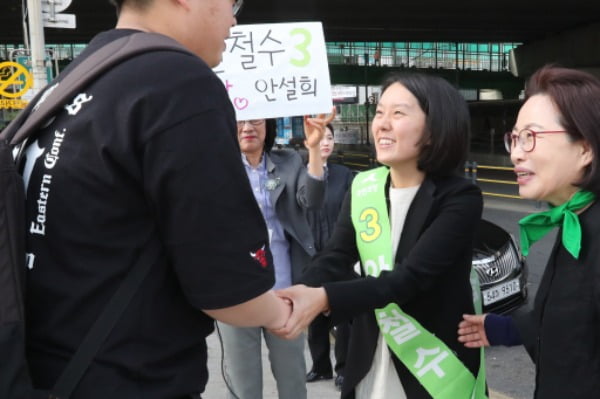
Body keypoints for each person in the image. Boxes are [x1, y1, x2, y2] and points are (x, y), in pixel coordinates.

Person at [19, 0, 294, 398]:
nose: (235, 18)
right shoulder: (177, 80)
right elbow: (229, 290)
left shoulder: (72, 82)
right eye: (230, 1)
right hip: (128, 378)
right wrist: (287, 310)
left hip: (48, 372)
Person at [274, 72, 484, 399]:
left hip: (433, 368)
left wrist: (325, 297)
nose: (381, 124)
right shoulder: (364, 187)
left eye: (398, 113)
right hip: (368, 364)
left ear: (435, 128)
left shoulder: (460, 197)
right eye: (380, 112)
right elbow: (336, 256)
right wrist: (298, 291)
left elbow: (410, 280)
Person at [458, 65, 600, 399]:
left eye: (530, 137)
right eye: (515, 138)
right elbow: (575, 321)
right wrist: (503, 328)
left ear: (585, 149)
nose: (516, 153)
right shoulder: (575, 219)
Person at [218, 113, 333, 399]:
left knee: (293, 379)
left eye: (255, 121)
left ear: (267, 126)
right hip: (236, 293)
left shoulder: (288, 161)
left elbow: (312, 199)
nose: (247, 128)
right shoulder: (218, 168)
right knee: (244, 386)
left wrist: (315, 149)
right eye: (240, 122)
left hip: (283, 290)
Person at [304, 123, 354, 390]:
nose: (326, 142)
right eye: (321, 138)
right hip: (312, 257)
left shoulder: (345, 175)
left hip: (340, 257)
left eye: (330, 137)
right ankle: (320, 366)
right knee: (314, 317)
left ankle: (343, 369)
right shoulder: (303, 176)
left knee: (343, 316)